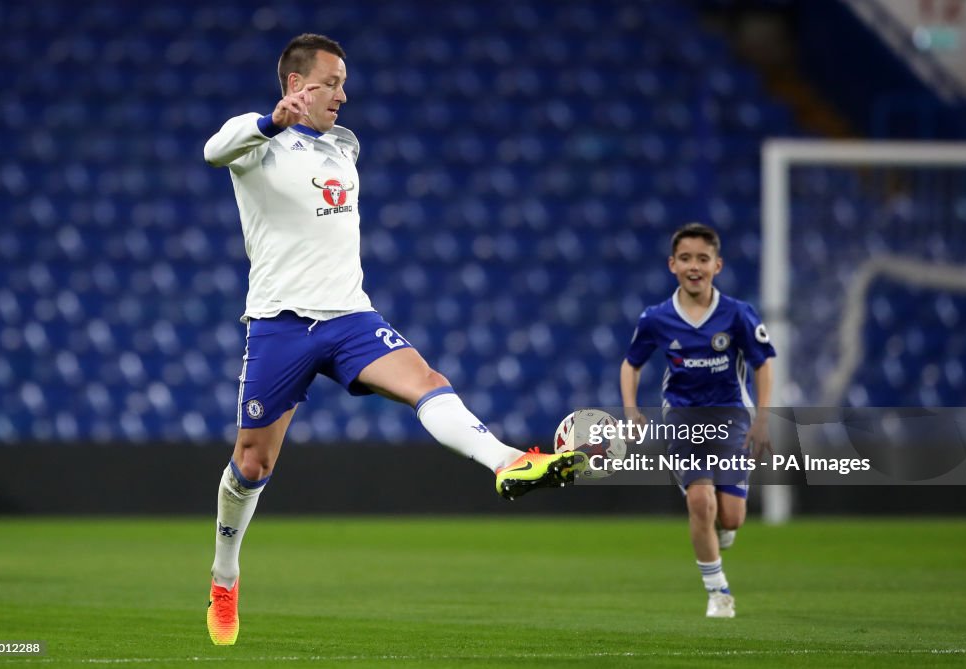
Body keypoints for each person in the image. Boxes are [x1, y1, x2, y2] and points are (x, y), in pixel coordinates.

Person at [201, 33, 586, 646]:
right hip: (279, 323)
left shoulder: (344, 148)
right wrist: (270, 122)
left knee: (427, 382)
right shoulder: (255, 147)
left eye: (344, 83)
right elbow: (213, 150)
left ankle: (509, 461)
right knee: (253, 462)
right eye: (332, 83)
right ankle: (225, 575)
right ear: (298, 85)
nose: (343, 96)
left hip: (351, 316)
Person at [619, 223, 774, 619]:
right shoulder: (656, 318)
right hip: (683, 416)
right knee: (701, 502)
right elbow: (631, 364)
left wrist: (764, 418)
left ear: (717, 265)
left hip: (731, 416)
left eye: (702, 259)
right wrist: (631, 409)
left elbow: (763, 365)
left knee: (732, 517)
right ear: (672, 264)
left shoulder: (738, 314)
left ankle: (724, 531)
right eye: (685, 258)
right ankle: (718, 592)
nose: (694, 266)